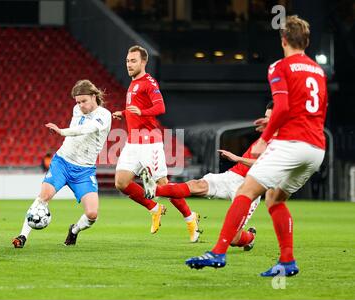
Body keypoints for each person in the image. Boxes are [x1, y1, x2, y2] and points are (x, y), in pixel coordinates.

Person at [185, 15, 328, 277]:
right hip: (316, 148)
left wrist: (265, 138)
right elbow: (313, 109)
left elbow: (283, 106)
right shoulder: (318, 71)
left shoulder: (279, 67)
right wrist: (277, 121)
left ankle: (218, 252)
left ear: (283, 40)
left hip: (292, 143)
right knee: (274, 199)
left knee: (246, 191)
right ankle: (287, 261)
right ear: (306, 41)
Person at [141, 102, 275, 251]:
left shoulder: (282, 142)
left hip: (250, 188)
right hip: (232, 176)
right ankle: (155, 190)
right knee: (197, 185)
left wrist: (238, 158)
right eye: (265, 116)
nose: (265, 120)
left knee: (233, 239)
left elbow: (264, 165)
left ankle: (250, 237)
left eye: (269, 117)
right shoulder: (267, 135)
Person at [112, 45, 201, 243]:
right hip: (133, 142)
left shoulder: (148, 82)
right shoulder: (133, 82)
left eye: (133, 61)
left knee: (163, 185)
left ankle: (190, 218)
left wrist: (141, 113)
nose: (129, 64)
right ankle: (154, 208)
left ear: (143, 62)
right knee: (121, 183)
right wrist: (125, 113)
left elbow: (160, 107)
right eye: (127, 61)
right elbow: (137, 109)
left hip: (149, 142)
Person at [12, 80, 111, 248]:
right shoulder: (77, 109)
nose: (80, 105)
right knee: (44, 196)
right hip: (63, 162)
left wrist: (61, 131)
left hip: (84, 171)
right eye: (77, 102)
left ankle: (74, 230)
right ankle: (22, 236)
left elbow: (86, 129)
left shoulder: (104, 115)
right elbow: (78, 129)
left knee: (92, 214)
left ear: (94, 97)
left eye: (84, 101)